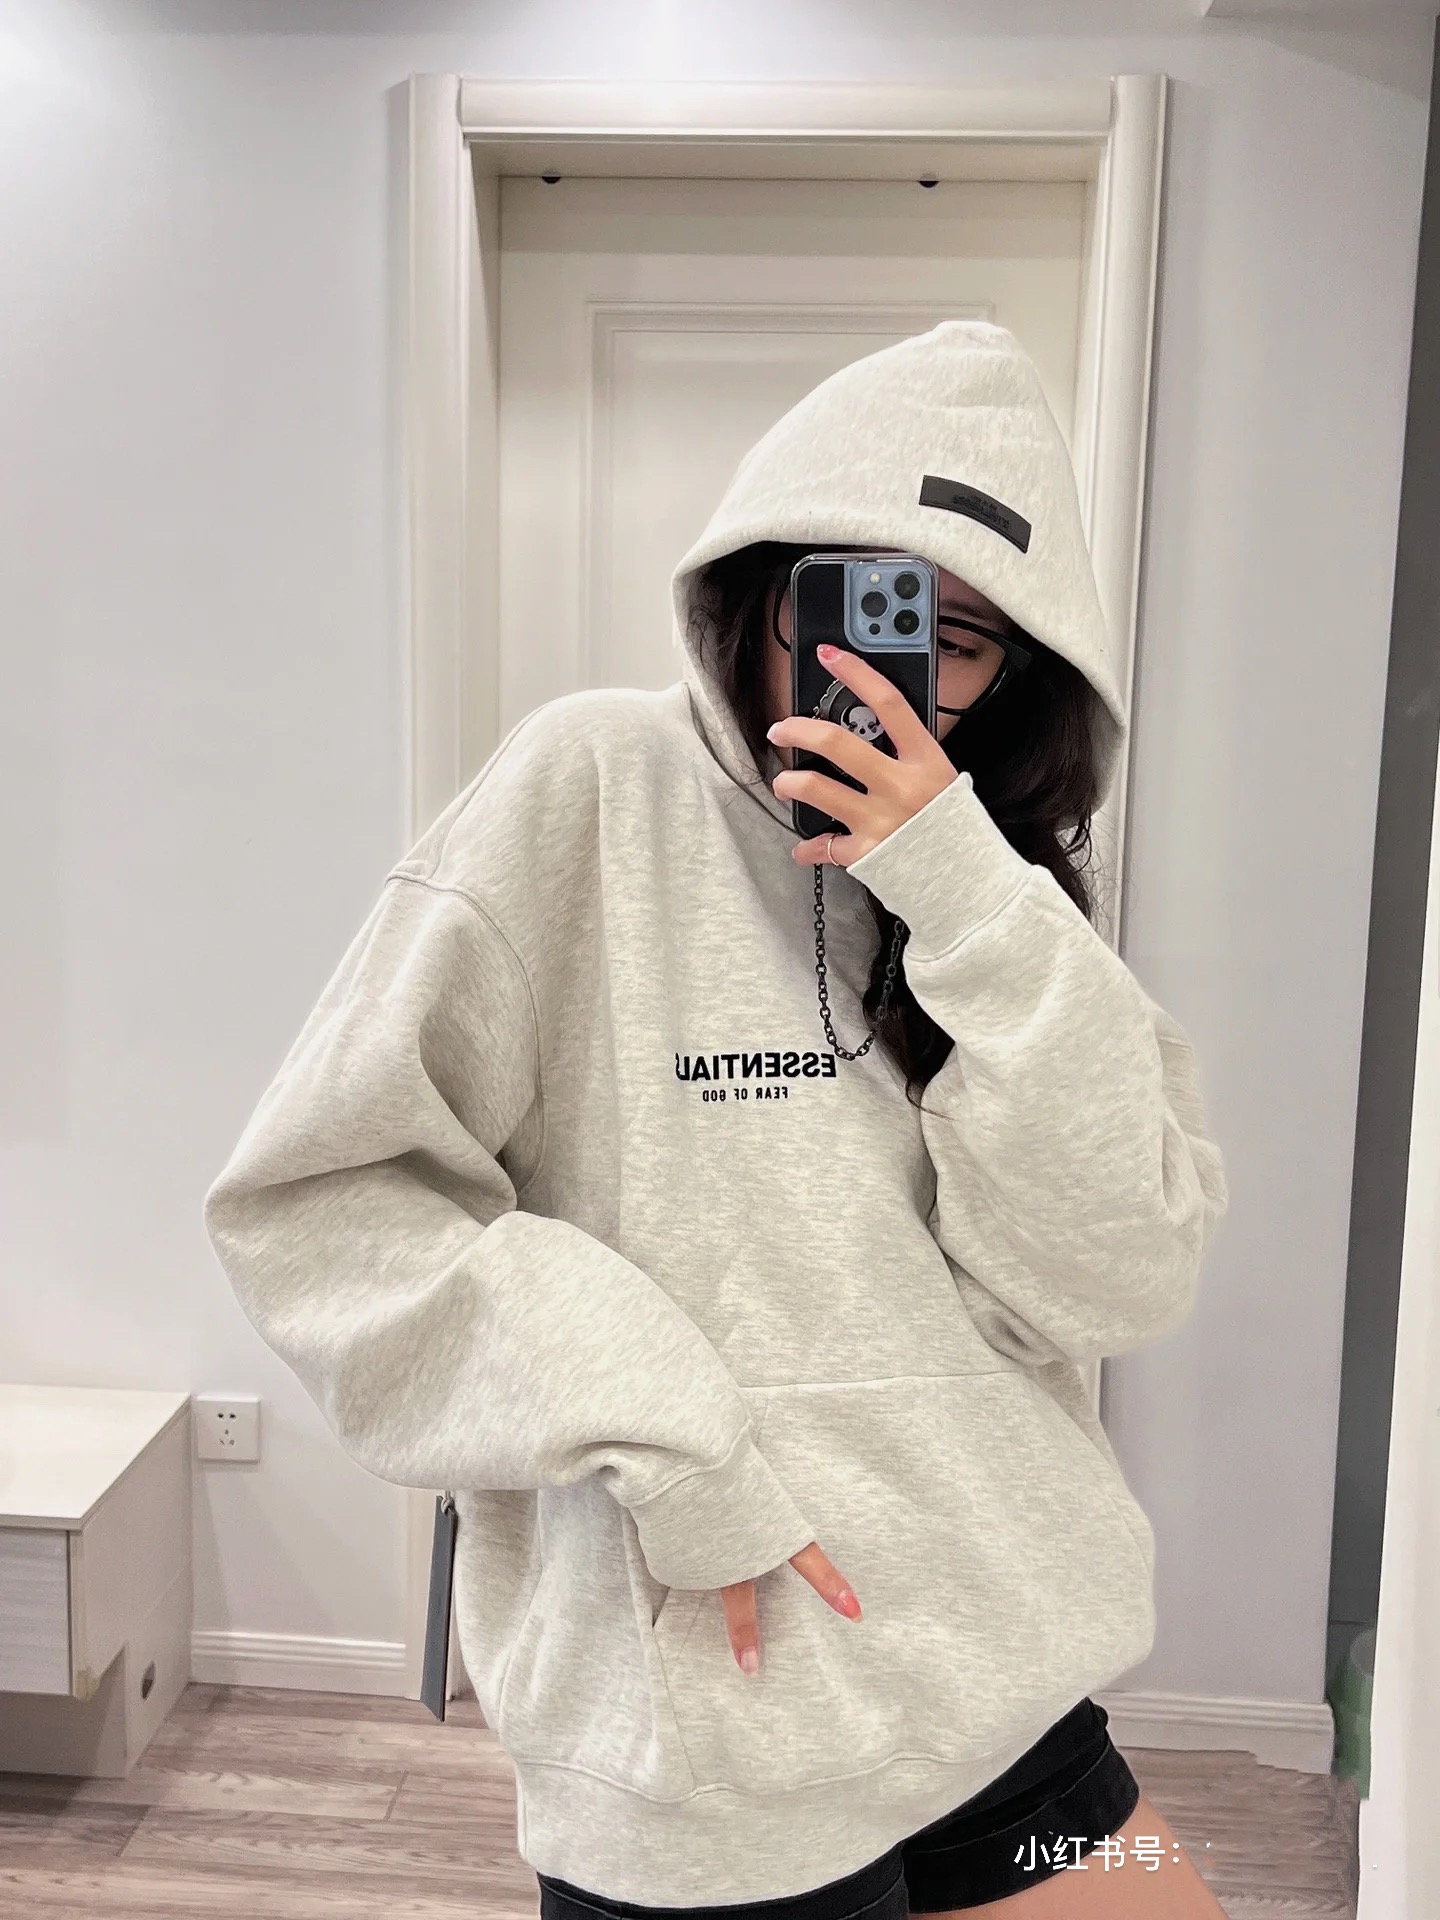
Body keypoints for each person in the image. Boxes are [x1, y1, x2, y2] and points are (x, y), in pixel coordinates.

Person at [204, 320, 1230, 1919]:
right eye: (850, 603)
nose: (885, 672)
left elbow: (1116, 1280)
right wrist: (672, 1438)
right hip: (717, 1715)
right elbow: (324, 1211)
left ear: (1008, 674)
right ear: (757, 595)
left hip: (1001, 1683)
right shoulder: (591, 782)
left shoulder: (996, 894)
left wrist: (962, 886)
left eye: (953, 637)